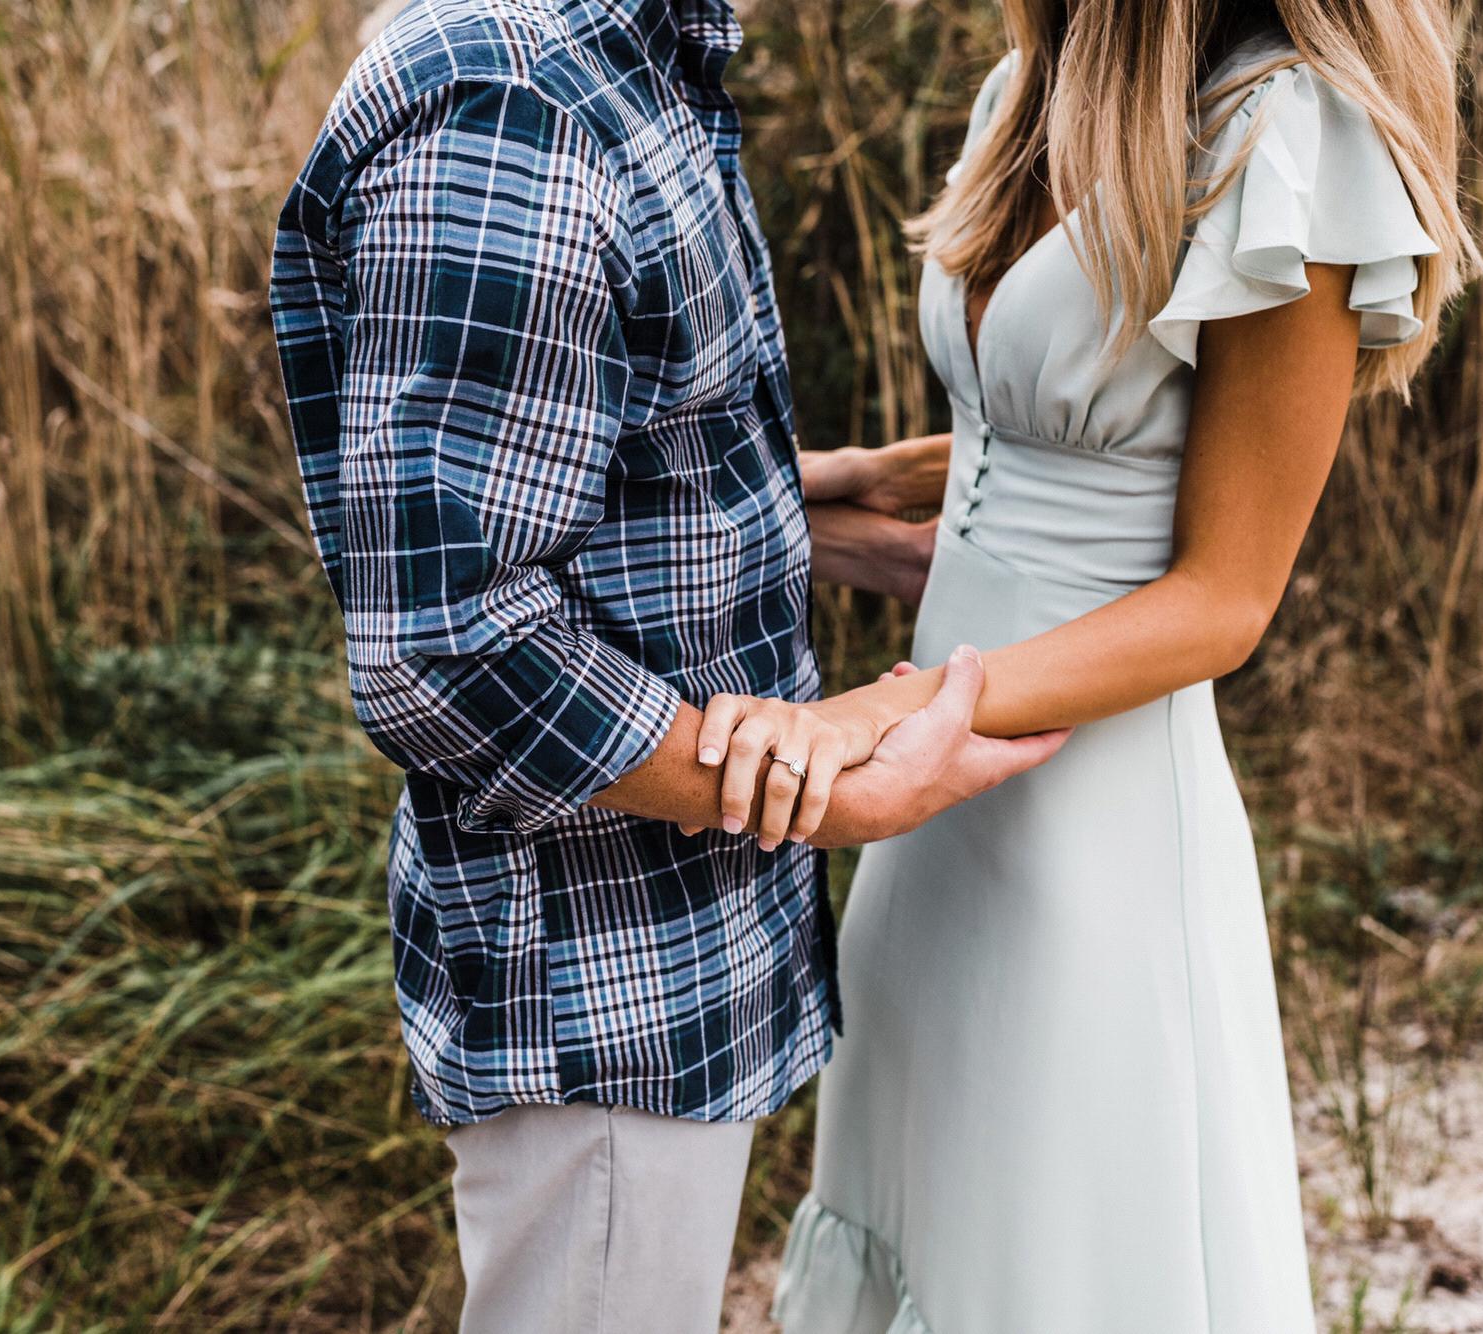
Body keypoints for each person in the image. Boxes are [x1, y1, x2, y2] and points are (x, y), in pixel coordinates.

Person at [265, 2, 1069, 1330]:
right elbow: (447, 639)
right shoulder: (514, 110)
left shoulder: (631, 57)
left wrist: (818, 506)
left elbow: (574, 471)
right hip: (596, 976)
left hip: (668, 959)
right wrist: (815, 785)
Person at [695, 2, 1481, 1329]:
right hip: (932, 825)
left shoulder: (1288, 135)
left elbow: (1221, 598)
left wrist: (891, 709)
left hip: (1089, 831)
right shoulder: (1029, 85)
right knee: (922, 1220)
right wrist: (808, 497)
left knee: (1059, 1256)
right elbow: (1040, 466)